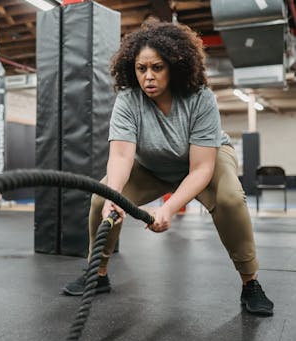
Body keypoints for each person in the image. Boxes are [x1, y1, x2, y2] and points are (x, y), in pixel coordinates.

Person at [61, 20, 274, 316]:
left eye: (157, 68)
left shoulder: (201, 99)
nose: (148, 76)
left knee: (229, 200)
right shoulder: (128, 100)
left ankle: (250, 283)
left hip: (203, 161)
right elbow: (122, 157)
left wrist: (169, 208)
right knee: (101, 199)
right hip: (152, 166)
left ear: (174, 66)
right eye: (141, 69)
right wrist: (114, 195)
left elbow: (201, 168)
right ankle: (97, 275)